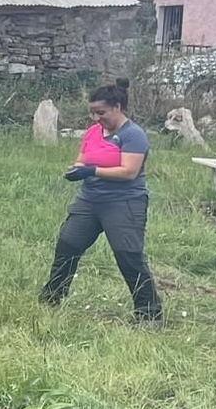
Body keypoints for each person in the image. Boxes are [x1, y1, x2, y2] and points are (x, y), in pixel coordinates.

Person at [41, 78, 162, 322]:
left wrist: (92, 171)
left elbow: (129, 171)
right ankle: (52, 298)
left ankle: (149, 314)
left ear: (117, 107)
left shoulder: (133, 135)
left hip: (124, 202)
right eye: (92, 112)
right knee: (68, 245)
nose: (96, 118)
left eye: (101, 112)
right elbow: (82, 159)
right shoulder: (94, 132)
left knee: (128, 255)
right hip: (90, 200)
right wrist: (76, 170)